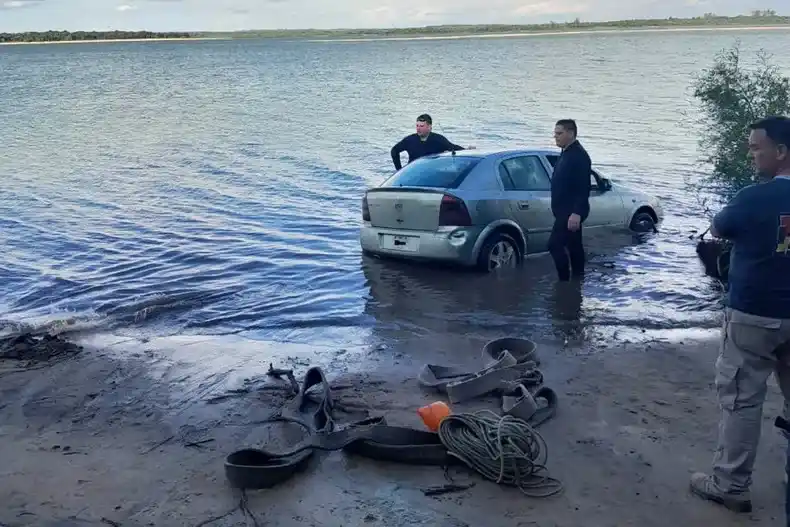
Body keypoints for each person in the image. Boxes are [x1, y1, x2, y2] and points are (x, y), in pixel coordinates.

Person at [689, 116, 790, 515]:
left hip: (753, 314)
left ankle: (731, 485)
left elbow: (719, 227)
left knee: (742, 400)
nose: (751, 155)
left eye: (755, 148)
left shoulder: (754, 197)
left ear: (780, 151)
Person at [547, 119, 591, 282]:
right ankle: (577, 283)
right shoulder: (566, 152)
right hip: (563, 210)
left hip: (570, 211)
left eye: (559, 133)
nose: (556, 137)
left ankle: (564, 281)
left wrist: (577, 213)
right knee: (574, 245)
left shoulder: (579, 156)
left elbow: (583, 187)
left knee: (554, 245)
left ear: (571, 133)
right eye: (555, 133)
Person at [390, 114, 473, 171]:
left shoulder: (438, 140)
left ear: (429, 127)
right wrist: (399, 170)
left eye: (421, 126)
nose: (418, 128)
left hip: (431, 173)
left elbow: (453, 148)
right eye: (417, 126)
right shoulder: (410, 140)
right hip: (413, 173)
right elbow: (394, 150)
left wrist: (467, 150)